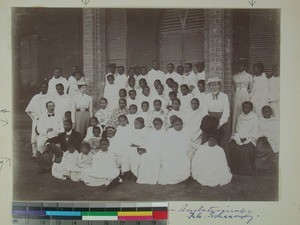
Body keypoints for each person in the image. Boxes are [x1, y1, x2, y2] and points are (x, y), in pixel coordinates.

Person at [203, 77, 230, 164]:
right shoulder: (206, 97)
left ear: (219, 86)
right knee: (208, 142)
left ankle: (222, 165)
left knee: (222, 143)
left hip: (221, 122)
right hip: (209, 122)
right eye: (211, 85)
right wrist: (210, 123)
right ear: (209, 87)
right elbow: (204, 111)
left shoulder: (224, 96)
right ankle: (208, 164)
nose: (214, 87)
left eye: (215, 85)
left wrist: (220, 123)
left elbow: (226, 111)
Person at [229, 101, 259, 176]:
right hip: (240, 137)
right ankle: (234, 170)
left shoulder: (254, 117)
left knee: (246, 150)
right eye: (244, 107)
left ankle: (246, 171)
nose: (245, 109)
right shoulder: (240, 116)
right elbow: (238, 129)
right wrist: (239, 137)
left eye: (247, 107)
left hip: (250, 139)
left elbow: (255, 131)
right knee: (232, 146)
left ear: (251, 108)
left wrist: (247, 139)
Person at [159, 117, 190, 185]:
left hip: (182, 151)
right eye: (176, 125)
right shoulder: (170, 132)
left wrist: (181, 151)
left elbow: (187, 144)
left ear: (182, 124)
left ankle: (183, 176)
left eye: (179, 124)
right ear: (173, 125)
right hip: (171, 151)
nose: (178, 126)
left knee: (182, 159)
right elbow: (166, 144)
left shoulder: (185, 132)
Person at [25, 82, 52, 158]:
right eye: (42, 87)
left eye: (45, 87)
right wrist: (35, 117)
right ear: (40, 88)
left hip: (47, 119)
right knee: (35, 136)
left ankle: (45, 153)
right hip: (37, 119)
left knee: (45, 135)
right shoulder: (36, 97)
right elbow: (29, 110)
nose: (44, 89)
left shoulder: (50, 97)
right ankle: (35, 153)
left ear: (47, 88)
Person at [137, 118, 165, 184]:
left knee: (155, 159)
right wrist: (146, 149)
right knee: (145, 157)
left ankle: (153, 179)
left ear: (161, 124)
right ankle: (144, 178)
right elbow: (148, 142)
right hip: (151, 150)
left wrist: (159, 150)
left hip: (161, 150)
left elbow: (165, 144)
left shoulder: (164, 132)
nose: (156, 126)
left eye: (158, 124)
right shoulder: (152, 132)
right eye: (155, 125)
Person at [255, 105, 279, 176]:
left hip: (273, 139)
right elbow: (257, 131)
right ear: (262, 113)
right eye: (264, 112)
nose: (266, 113)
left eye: (268, 111)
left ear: (271, 112)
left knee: (272, 149)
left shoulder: (276, 121)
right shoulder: (260, 120)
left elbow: (277, 133)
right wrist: (262, 136)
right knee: (260, 149)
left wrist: (271, 138)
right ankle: (261, 170)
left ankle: (270, 169)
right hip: (262, 139)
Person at [232, 59, 253, 133]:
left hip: (245, 95)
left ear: (245, 66)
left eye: (242, 65)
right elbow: (233, 88)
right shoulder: (234, 77)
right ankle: (236, 132)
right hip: (237, 95)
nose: (240, 66)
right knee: (236, 112)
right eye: (239, 65)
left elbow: (251, 89)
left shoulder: (249, 76)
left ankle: (246, 132)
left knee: (245, 111)